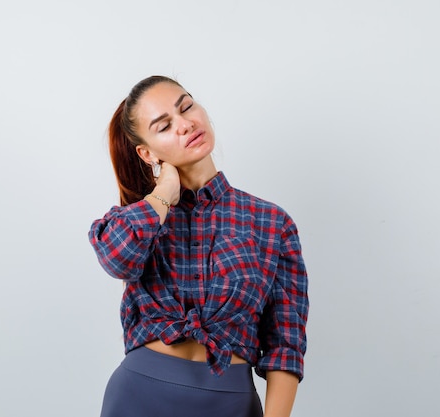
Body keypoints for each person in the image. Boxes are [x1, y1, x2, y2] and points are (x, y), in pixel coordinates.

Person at [88, 75, 309, 417]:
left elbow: (285, 344)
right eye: (164, 125)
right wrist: (163, 193)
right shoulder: (137, 219)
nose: (185, 124)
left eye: (187, 106)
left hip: (231, 403)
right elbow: (118, 259)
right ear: (146, 152)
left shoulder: (272, 222)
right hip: (139, 396)